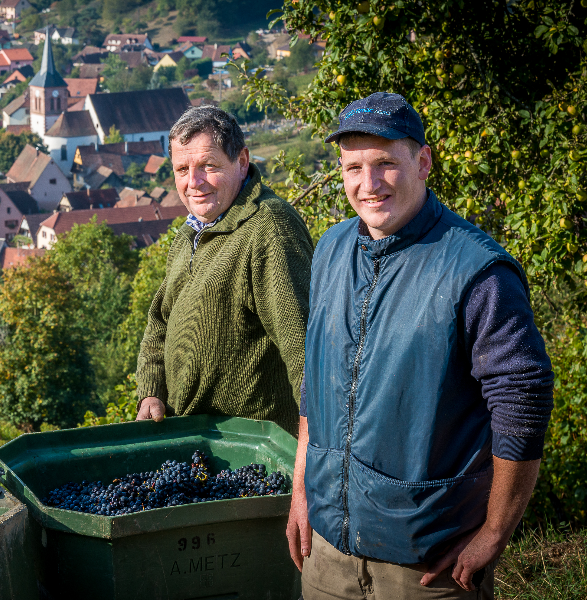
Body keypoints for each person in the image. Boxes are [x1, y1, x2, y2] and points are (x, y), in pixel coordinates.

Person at [288, 92, 554, 599]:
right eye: (353, 168)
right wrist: (302, 493)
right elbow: (315, 382)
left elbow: (523, 403)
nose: (368, 185)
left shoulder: (476, 271)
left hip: (426, 567)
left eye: (386, 163)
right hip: (328, 557)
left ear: (423, 161)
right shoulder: (329, 250)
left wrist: (494, 534)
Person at [135, 106, 313, 435]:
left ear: (242, 162)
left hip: (256, 449)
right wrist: (151, 391)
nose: (193, 182)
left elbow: (305, 352)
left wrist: (313, 453)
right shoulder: (191, 232)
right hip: (197, 443)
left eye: (208, 166)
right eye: (182, 169)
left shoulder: (268, 228)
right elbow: (160, 321)